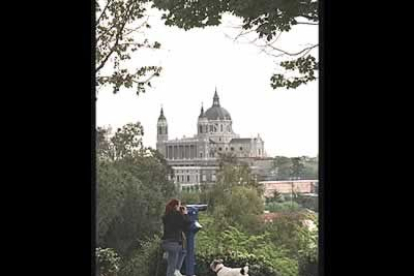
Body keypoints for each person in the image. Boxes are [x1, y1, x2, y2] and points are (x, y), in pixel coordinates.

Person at [162, 199, 191, 276]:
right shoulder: (177, 215)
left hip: (166, 243)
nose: (180, 207)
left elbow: (177, 224)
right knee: (172, 266)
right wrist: (185, 213)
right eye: (179, 205)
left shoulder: (166, 215)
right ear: (175, 206)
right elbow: (187, 223)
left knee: (182, 251)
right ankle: (176, 270)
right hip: (173, 243)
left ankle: (175, 268)